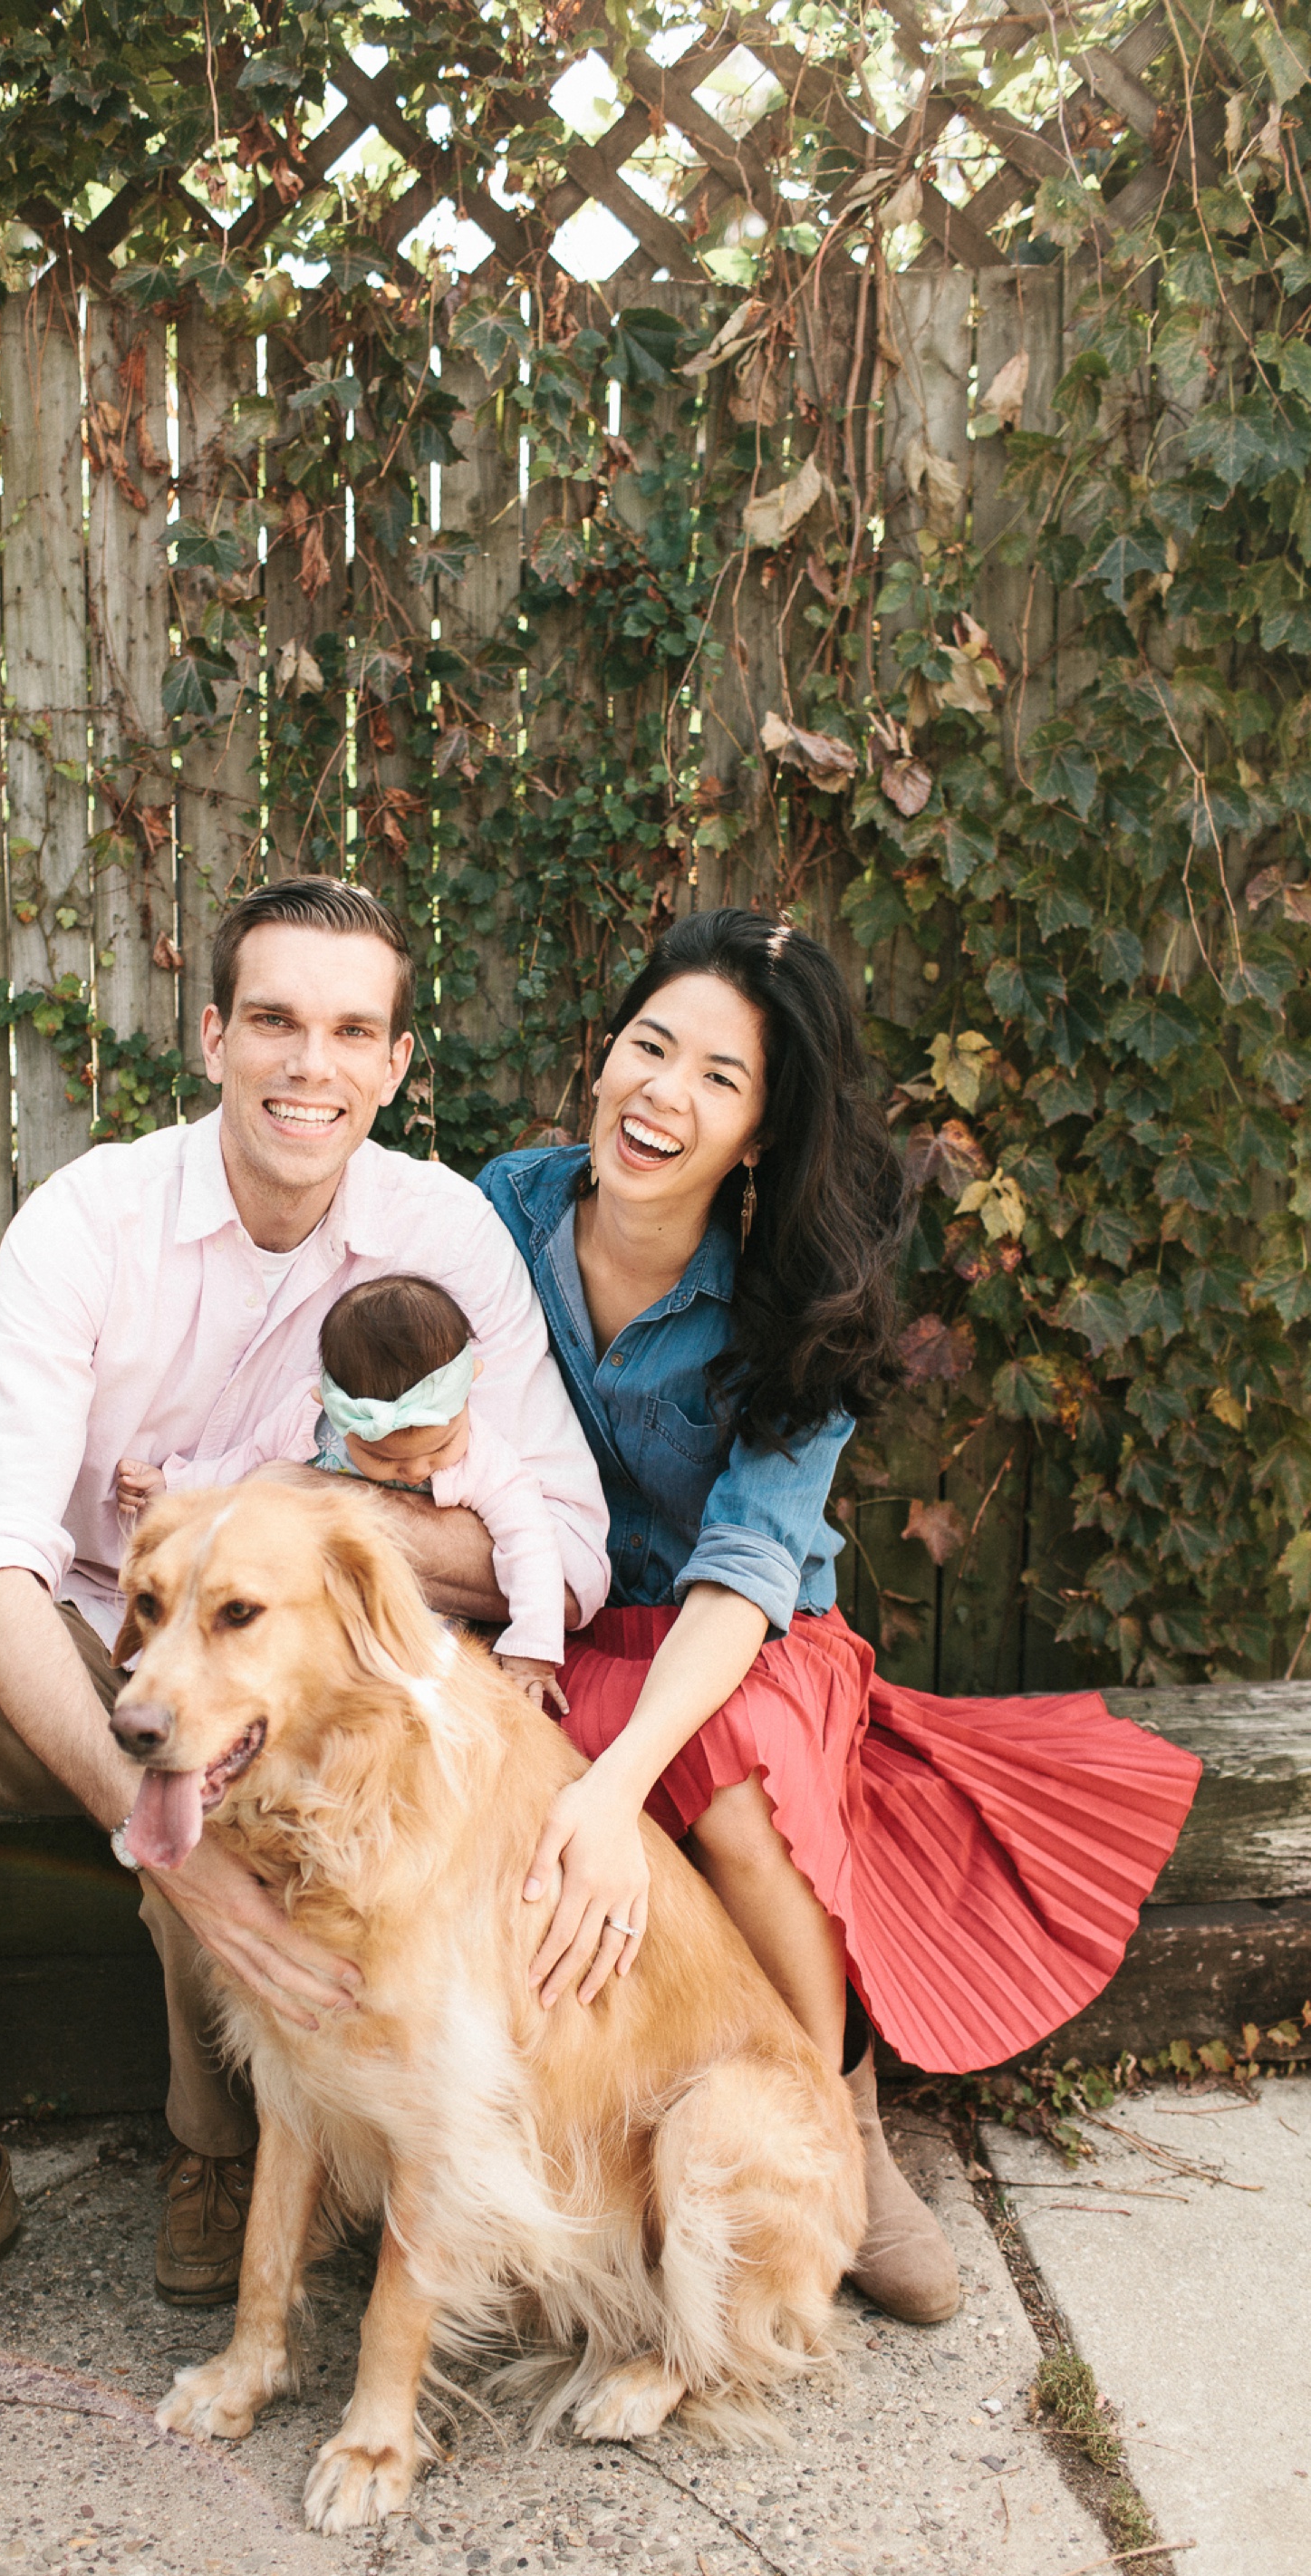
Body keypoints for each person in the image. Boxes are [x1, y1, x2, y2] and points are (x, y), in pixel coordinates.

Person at [0, 876, 610, 2401]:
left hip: (297, 1678)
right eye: (278, 1021)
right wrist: (165, 1836)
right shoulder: (88, 1223)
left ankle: (221, 2156)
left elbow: (559, 1536)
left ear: (395, 1064)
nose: (312, 1065)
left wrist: (289, 1509)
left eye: (351, 1030)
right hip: (88, 1636)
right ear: (216, 1036)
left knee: (237, 1763)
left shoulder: (443, 1238)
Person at [477, 907, 1201, 2326]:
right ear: (606, 1055)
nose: (662, 1095)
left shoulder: (793, 1296)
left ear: (757, 1133)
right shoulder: (503, 1209)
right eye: (648, 1047)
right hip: (559, 1615)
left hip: (740, 1642)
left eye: (719, 1078)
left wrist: (617, 1789)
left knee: (731, 1764)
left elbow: (744, 1573)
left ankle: (836, 2130)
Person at [120, 1273, 568, 1711]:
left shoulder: (484, 1456)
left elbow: (530, 1541)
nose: (415, 1470)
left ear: (471, 1389)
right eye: (386, 1459)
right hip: (325, 1612)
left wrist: (532, 1646)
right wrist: (174, 1485)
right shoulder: (305, 1422)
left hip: (425, 1615)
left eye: (440, 1448)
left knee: (425, 1693)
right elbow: (248, 1464)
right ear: (328, 1408)